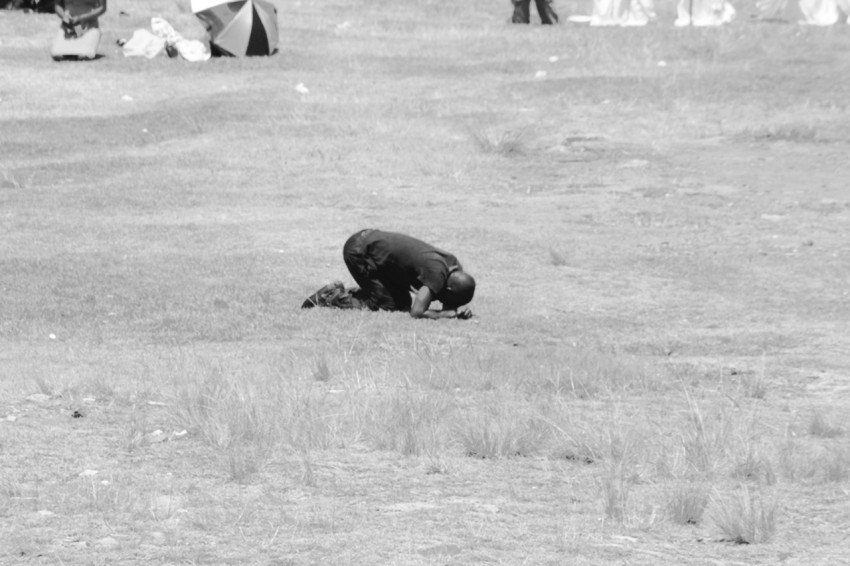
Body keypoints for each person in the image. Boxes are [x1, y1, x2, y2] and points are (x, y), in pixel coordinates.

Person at [302, 229, 476, 320]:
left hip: (370, 244)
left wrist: (456, 313)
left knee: (402, 303)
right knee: (388, 305)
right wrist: (444, 315)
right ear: (449, 289)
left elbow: (443, 299)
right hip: (359, 252)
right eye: (452, 301)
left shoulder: (452, 267)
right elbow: (416, 312)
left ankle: (352, 292)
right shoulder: (437, 274)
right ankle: (331, 296)